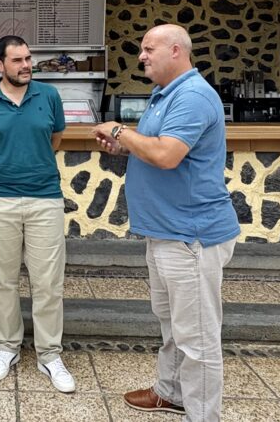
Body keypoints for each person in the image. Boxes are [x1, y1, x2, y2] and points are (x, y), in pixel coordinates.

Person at [93, 24, 240, 422]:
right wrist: (125, 145)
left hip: (190, 235)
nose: (141, 56)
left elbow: (167, 156)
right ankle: (171, 393)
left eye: (148, 49)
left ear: (176, 51)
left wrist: (121, 130)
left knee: (197, 337)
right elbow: (154, 146)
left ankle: (202, 415)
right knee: (172, 322)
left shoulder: (191, 96)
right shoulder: (164, 95)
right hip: (164, 232)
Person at [0, 35, 75, 393]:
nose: (26, 65)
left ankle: (49, 354)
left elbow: (54, 139)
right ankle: (8, 347)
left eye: (28, 58)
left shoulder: (49, 96)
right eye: (17, 60)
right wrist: (3, 171)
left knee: (48, 282)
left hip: (45, 198)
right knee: (4, 279)